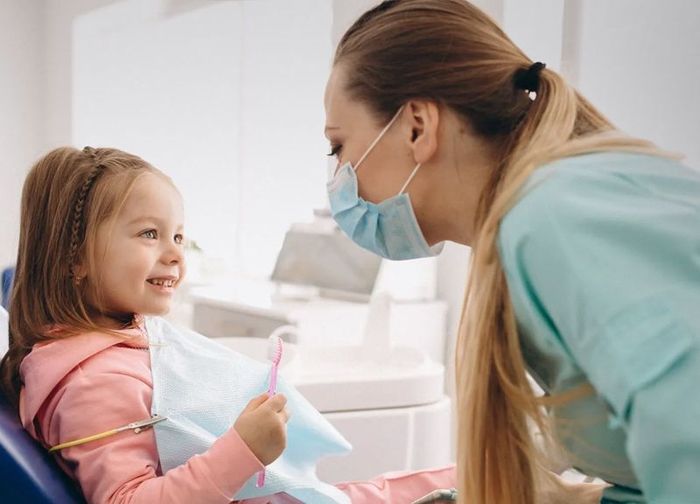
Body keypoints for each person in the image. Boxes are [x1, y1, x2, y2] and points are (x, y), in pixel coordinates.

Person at [324, 1, 700, 503]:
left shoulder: (555, 216)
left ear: (417, 126)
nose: (338, 181)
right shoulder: (534, 223)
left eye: (338, 147)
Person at [0, 146, 455, 503]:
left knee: (445, 481)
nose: (176, 252)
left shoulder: (117, 342)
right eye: (148, 234)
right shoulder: (93, 383)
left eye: (178, 235)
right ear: (75, 258)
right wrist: (243, 449)